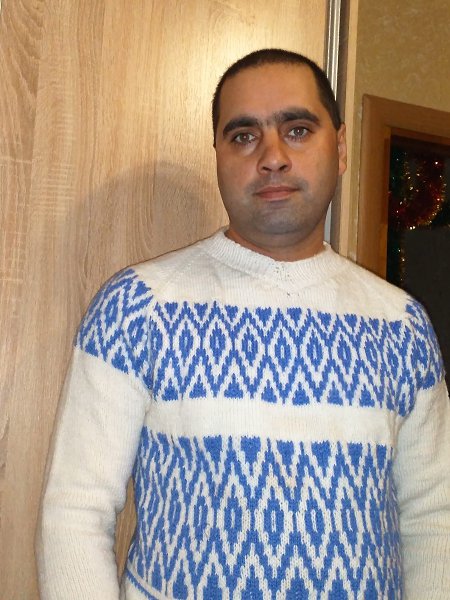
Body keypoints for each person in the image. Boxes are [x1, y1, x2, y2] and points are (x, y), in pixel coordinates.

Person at [36, 49, 450, 599]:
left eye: (297, 130)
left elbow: (434, 516)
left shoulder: (402, 327)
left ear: (341, 148)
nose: (272, 157)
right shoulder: (137, 309)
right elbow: (76, 510)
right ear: (219, 156)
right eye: (244, 136)